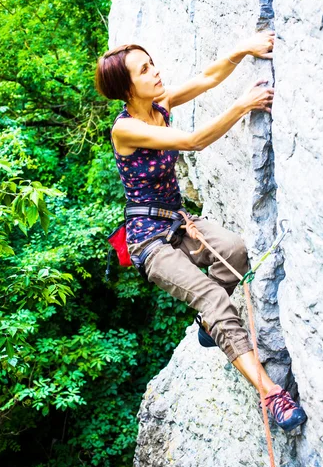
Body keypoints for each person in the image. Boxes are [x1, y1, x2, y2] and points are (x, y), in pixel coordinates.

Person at [95, 32, 307, 432]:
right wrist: (243, 104)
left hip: (176, 221)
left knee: (236, 250)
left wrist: (244, 48)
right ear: (126, 88)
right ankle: (271, 395)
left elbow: (208, 76)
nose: (155, 72)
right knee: (213, 298)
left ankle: (210, 326)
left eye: (151, 63)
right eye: (144, 70)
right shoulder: (124, 130)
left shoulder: (161, 104)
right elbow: (193, 141)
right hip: (148, 239)